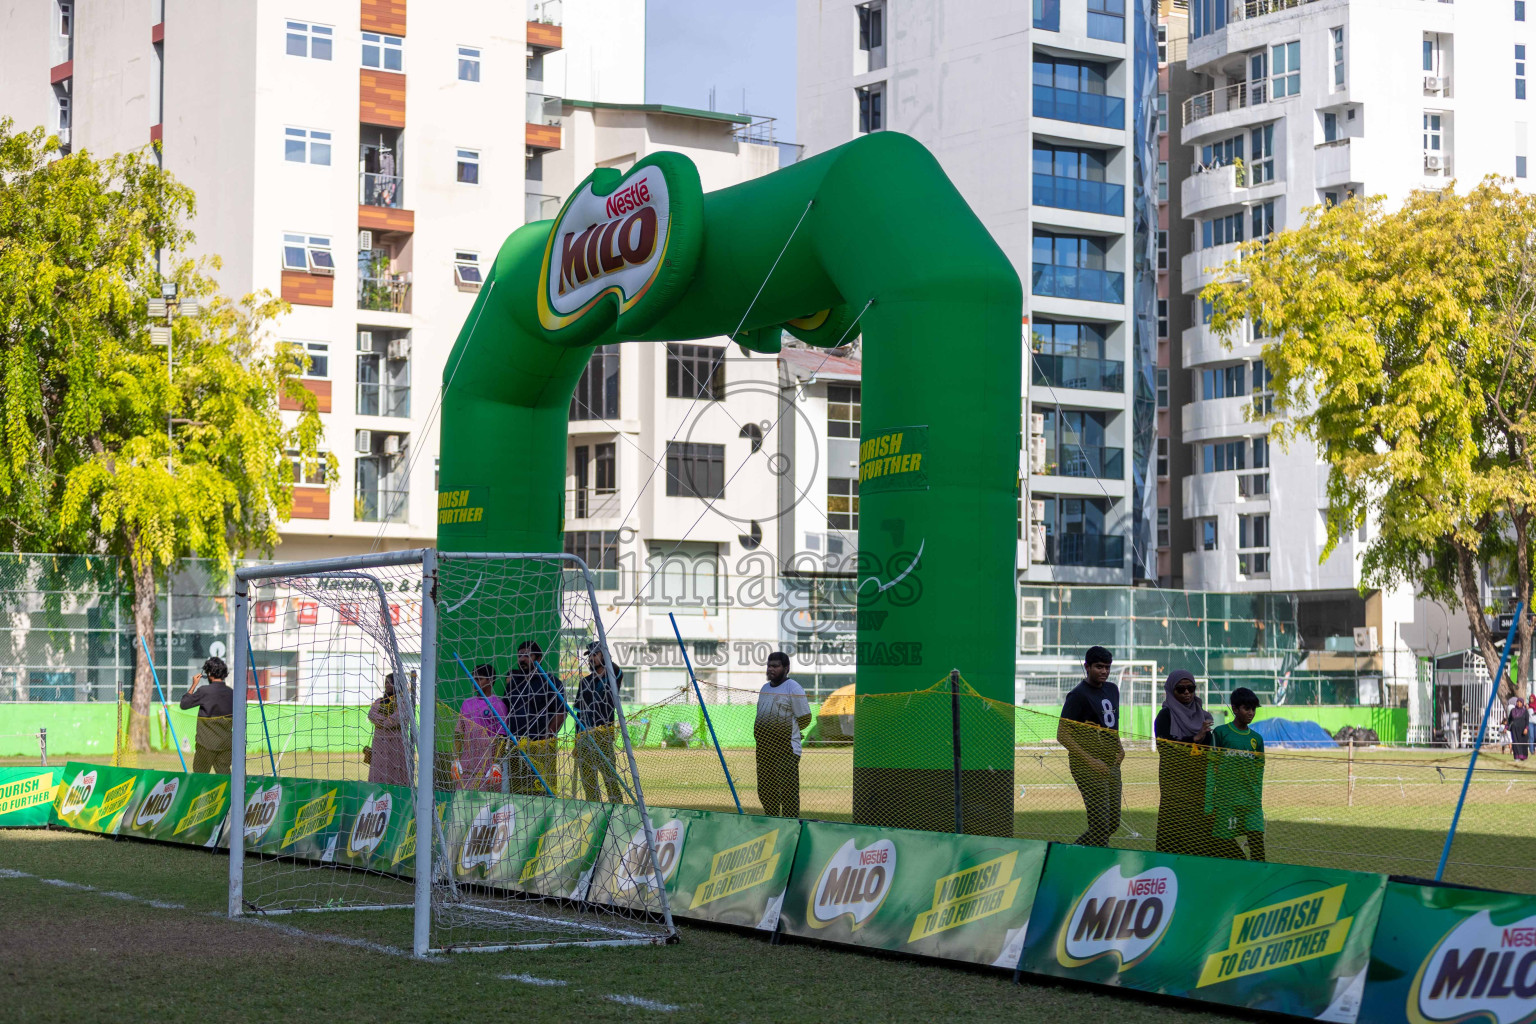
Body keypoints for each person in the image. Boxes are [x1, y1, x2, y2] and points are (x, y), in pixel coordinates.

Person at [1057, 646, 1124, 846]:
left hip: (1111, 763)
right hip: (1087, 767)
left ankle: (1073, 851)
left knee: (1113, 822)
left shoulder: (1112, 689)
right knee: (1100, 826)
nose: (1104, 671)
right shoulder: (1077, 695)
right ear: (1087, 667)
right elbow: (1062, 735)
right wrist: (1091, 761)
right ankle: (1099, 867)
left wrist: (1120, 748)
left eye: (1107, 667)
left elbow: (1111, 724)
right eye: (1098, 667)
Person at [1153, 669, 1216, 856]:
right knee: (1173, 837)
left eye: (1191, 688)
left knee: (1200, 838)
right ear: (1172, 691)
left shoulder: (1203, 717)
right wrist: (1194, 739)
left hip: (1199, 785)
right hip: (1175, 786)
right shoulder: (1165, 716)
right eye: (1181, 689)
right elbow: (1165, 748)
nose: (1187, 692)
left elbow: (1209, 749)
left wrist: (1207, 738)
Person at [1206, 687, 1267, 861]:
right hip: (1227, 803)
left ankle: (1258, 882)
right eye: (1247, 708)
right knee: (1224, 846)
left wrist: (1257, 799)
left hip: (1252, 804)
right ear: (1234, 709)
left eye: (1253, 709)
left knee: (1258, 853)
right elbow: (1211, 768)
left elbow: (1259, 772)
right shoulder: (1221, 733)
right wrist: (1209, 805)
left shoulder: (1257, 739)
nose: (1251, 713)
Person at [754, 651, 811, 818]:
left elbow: (805, 718)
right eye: (769, 666)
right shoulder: (765, 688)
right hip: (764, 751)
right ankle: (772, 821)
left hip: (785, 750)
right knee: (765, 791)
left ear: (786, 668)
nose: (771, 669)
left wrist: (789, 732)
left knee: (787, 793)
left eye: (775, 666)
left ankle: (790, 825)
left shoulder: (793, 687)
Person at [503, 641, 565, 795]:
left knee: (541, 791)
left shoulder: (551, 682)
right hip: (515, 746)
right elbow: (506, 711)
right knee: (516, 791)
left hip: (540, 747)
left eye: (527, 655)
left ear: (539, 658)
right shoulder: (513, 683)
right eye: (519, 656)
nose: (522, 659)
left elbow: (561, 712)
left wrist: (546, 739)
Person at [575, 643, 626, 803]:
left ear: (604, 655)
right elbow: (579, 713)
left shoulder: (613, 675)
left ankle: (618, 811)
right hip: (585, 738)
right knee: (589, 783)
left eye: (595, 654)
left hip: (603, 736)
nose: (591, 658)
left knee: (610, 780)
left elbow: (616, 671)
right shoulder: (584, 682)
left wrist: (607, 660)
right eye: (589, 655)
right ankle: (594, 812)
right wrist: (577, 740)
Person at [457, 663, 508, 790]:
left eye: (479, 679)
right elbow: (458, 733)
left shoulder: (498, 705)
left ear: (490, 680)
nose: (475, 682)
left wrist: (496, 763)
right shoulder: (466, 704)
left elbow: (501, 737)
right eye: (473, 678)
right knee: (463, 799)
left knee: (486, 804)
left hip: (488, 764)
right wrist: (455, 759)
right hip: (467, 763)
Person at [179, 656, 234, 774]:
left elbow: (184, 704)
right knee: (224, 775)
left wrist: (194, 685)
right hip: (226, 744)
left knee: (200, 777)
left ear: (209, 673)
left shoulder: (204, 691)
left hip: (205, 745)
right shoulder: (231, 693)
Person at [366, 673, 411, 786]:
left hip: (397, 744)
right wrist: (387, 721)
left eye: (390, 682)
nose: (387, 685)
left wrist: (384, 722)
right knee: (379, 770)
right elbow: (372, 714)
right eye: (386, 682)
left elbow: (400, 718)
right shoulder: (379, 701)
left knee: (396, 770)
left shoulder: (403, 702)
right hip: (379, 744)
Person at [1509, 697, 1531, 763]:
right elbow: (1509, 720)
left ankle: (1523, 756)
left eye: (1520, 702)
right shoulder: (1512, 711)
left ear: (1522, 703)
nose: (1519, 703)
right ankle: (1516, 757)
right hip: (1514, 730)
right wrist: (1506, 727)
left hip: (1523, 730)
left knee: (1522, 743)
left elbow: (1527, 721)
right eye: (1518, 702)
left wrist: (1526, 728)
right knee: (1515, 743)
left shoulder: (1525, 711)